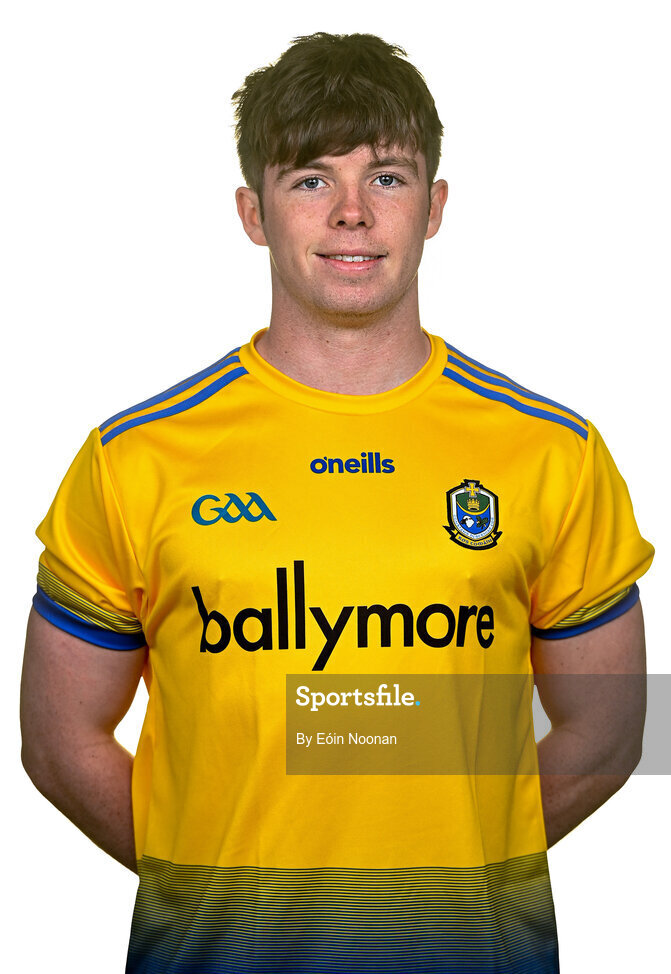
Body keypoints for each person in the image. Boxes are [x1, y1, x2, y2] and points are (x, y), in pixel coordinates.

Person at [20, 32, 653, 974]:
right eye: (311, 179)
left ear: (434, 207)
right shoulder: (133, 458)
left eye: (387, 178)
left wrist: (463, 867)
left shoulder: (552, 452)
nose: (352, 213)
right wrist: (212, 884)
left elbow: (610, 727)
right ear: (252, 212)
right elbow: (57, 738)